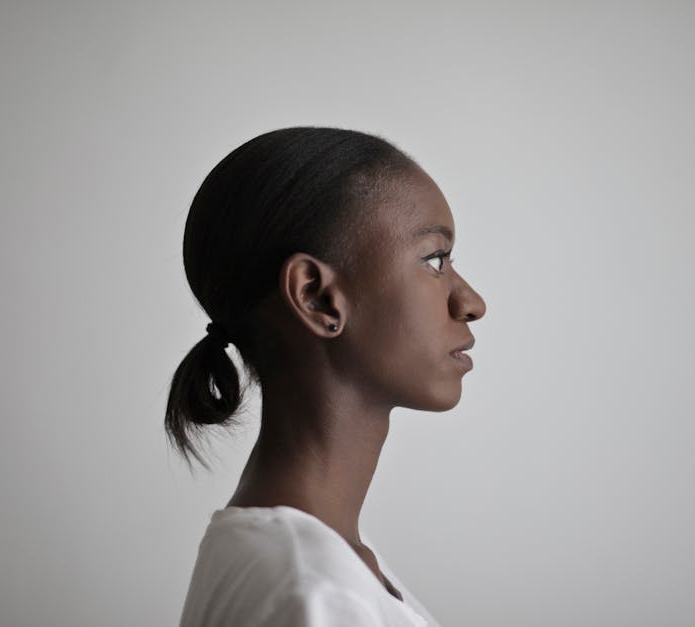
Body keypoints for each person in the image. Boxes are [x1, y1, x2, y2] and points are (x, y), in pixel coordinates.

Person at [167, 127, 486, 626]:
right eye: (434, 260)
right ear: (317, 297)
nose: (471, 303)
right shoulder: (314, 593)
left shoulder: (303, 561)